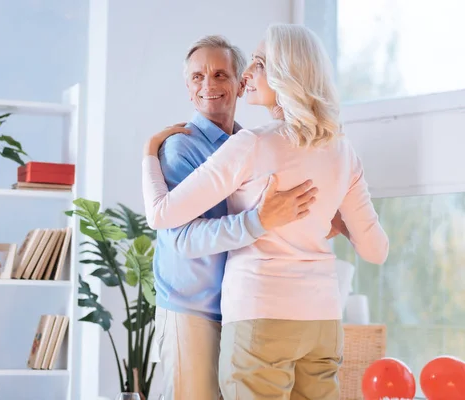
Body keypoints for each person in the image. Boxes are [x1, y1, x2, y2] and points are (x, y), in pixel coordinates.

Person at [142, 24, 389, 400]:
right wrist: (336, 222)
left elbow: (161, 214)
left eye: (256, 65)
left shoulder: (251, 144)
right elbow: (377, 251)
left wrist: (147, 155)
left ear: (283, 74)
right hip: (317, 318)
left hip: (258, 310)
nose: (245, 76)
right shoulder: (342, 151)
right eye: (197, 76)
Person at [150, 35, 319, 400]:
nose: (208, 85)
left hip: (237, 310)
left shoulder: (252, 145)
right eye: (197, 77)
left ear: (241, 83)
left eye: (220, 75)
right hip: (190, 311)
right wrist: (260, 220)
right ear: (188, 88)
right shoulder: (182, 147)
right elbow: (182, 238)